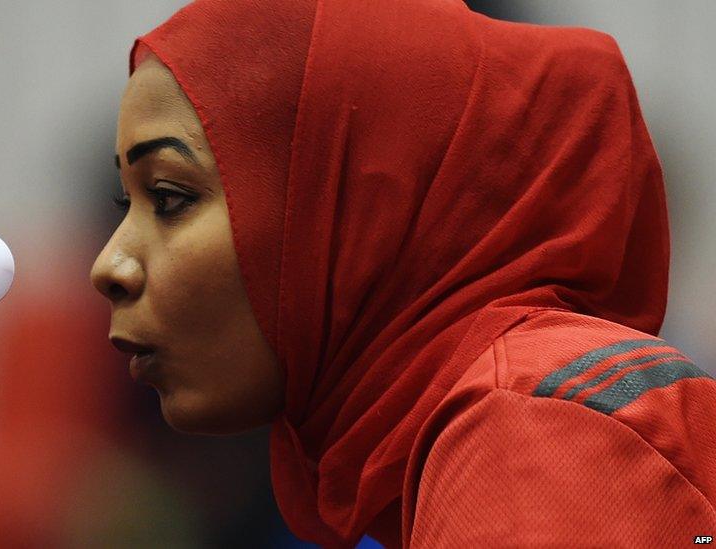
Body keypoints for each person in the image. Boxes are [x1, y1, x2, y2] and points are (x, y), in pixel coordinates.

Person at [88, 0, 716, 546]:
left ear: (352, 206)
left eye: (169, 198)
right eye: (126, 203)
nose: (107, 267)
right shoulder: (477, 430)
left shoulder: (529, 434)